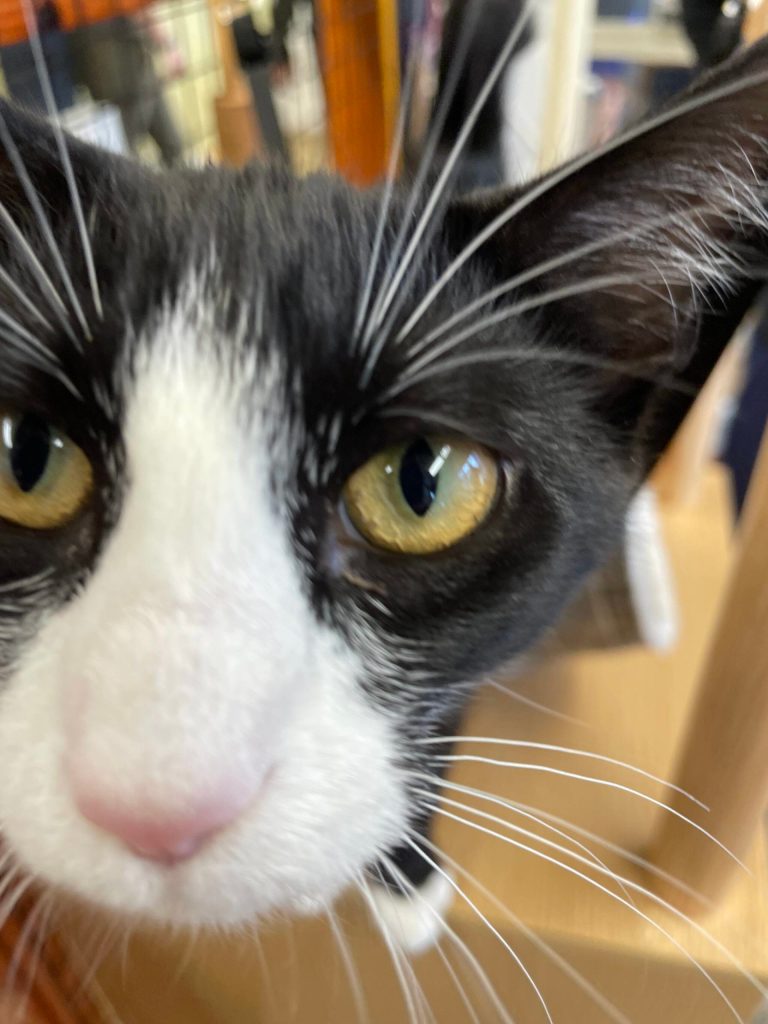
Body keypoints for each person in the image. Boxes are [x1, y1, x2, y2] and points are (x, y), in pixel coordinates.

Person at [70, 7, 184, 166]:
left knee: (172, 146)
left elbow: (142, 12)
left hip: (134, 70)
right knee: (127, 155)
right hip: (113, 76)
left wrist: (169, 46)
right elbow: (142, 12)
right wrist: (169, 46)